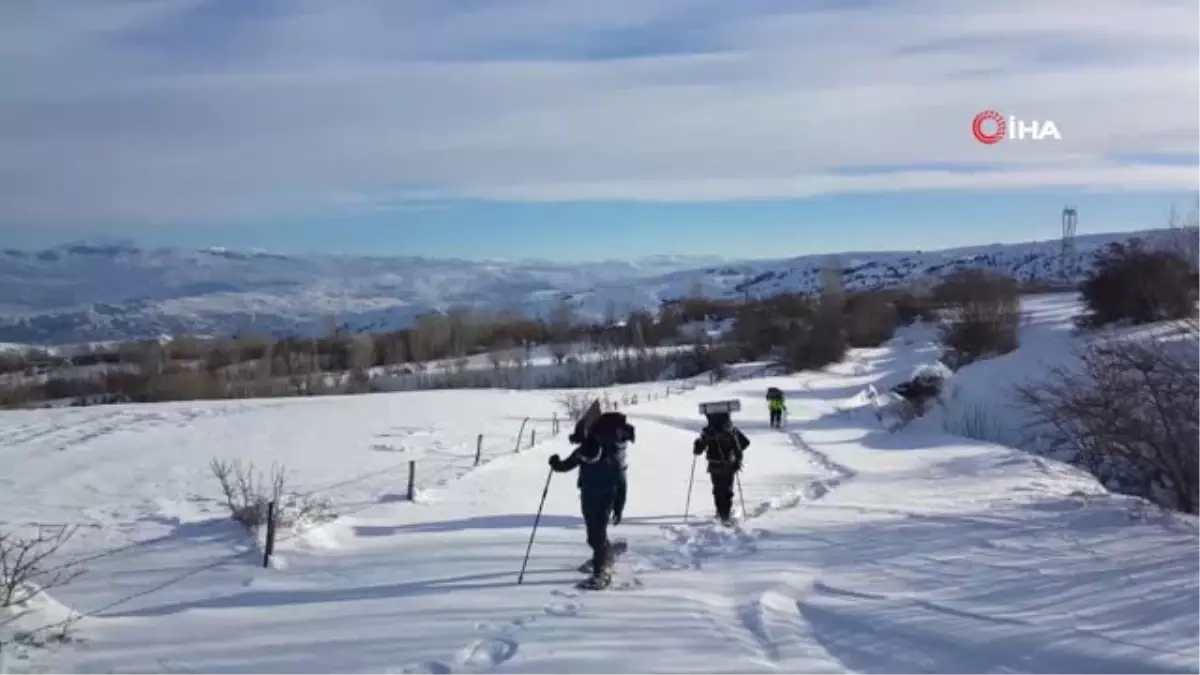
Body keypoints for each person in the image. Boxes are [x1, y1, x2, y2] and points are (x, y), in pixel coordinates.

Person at [552, 411, 635, 584]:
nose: (586, 459)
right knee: (593, 536)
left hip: (606, 496)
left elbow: (621, 482)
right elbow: (566, 465)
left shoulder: (612, 455)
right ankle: (606, 554)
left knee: (597, 535)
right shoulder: (587, 448)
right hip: (588, 495)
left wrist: (619, 507)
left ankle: (601, 572)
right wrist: (555, 464)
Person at [692, 411, 750, 524]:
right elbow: (743, 444)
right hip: (729, 465)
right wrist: (736, 459)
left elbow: (698, 451)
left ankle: (720, 512)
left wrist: (697, 445)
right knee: (727, 490)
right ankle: (725, 514)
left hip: (714, 465)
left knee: (717, 489)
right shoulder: (730, 430)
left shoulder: (708, 431)